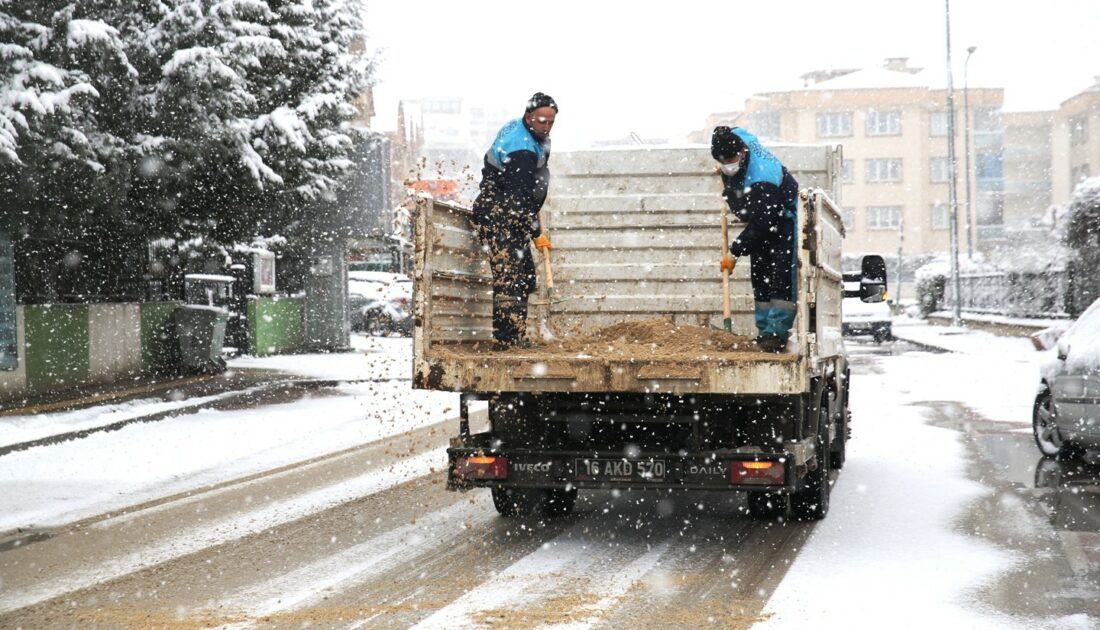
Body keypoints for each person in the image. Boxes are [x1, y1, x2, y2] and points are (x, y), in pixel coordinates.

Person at [472, 92, 558, 350]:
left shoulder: (522, 129)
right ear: (529, 116)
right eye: (542, 121)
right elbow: (519, 198)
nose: (546, 126)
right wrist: (536, 232)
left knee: (524, 275)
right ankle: (506, 341)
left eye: (551, 122)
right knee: (511, 277)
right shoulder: (521, 149)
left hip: (508, 211)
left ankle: (515, 335)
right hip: (499, 214)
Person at [712, 125, 800, 352]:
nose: (728, 165)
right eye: (723, 162)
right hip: (760, 214)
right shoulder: (738, 139)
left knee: (779, 276)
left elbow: (764, 223)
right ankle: (764, 332)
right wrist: (720, 132)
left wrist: (734, 252)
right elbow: (734, 130)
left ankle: (776, 333)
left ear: (742, 152)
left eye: (731, 159)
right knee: (760, 276)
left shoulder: (764, 177)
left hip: (781, 218)